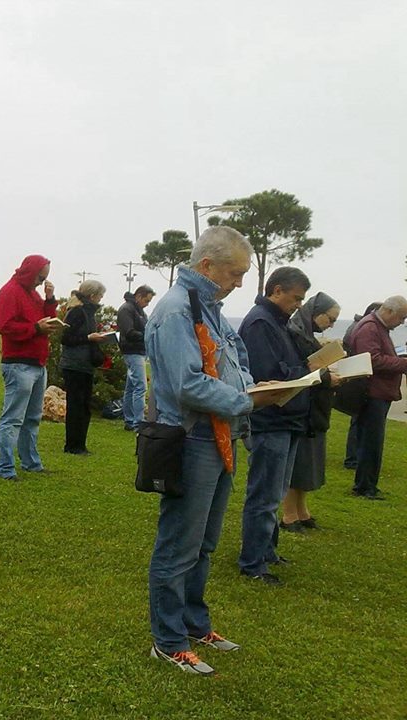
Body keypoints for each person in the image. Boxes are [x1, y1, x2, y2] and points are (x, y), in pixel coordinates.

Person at [146, 226, 289, 676]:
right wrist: (248, 400)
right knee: (179, 545)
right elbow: (186, 384)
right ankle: (168, 640)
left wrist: (256, 387)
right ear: (206, 266)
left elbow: (236, 364)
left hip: (220, 437)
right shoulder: (174, 311)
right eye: (236, 272)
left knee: (204, 544)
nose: (241, 282)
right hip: (192, 440)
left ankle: (193, 622)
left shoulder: (208, 308)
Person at [237, 266, 312, 586]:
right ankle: (252, 561)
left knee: (276, 492)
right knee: (264, 495)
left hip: (288, 418)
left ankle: (267, 550)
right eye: (295, 298)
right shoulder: (259, 323)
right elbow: (267, 374)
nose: (298, 304)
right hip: (270, 420)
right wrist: (307, 372)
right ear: (276, 290)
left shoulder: (278, 323)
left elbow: (287, 366)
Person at [0, 255, 60, 480]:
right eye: (40, 277)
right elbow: (5, 326)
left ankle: (31, 463)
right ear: (30, 271)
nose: (41, 283)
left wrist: (49, 301)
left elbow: (45, 320)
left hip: (37, 363)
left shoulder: (33, 294)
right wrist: (35, 328)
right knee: (12, 419)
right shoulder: (10, 291)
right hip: (18, 363)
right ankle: (5, 468)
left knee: (32, 417)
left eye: (44, 279)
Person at [283, 292, 341, 530]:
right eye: (331, 319)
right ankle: (289, 514)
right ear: (316, 313)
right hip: (302, 408)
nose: (332, 324)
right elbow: (303, 370)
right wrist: (328, 377)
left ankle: (301, 510)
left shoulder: (306, 333)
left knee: (309, 461)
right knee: (298, 461)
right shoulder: (296, 332)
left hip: (314, 408)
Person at [348, 296, 407, 500]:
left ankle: (368, 484)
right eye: (402, 317)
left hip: (378, 392)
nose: (402, 323)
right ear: (389, 312)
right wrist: (403, 364)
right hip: (372, 393)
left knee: (372, 441)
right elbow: (371, 360)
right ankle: (364, 486)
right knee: (370, 442)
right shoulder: (370, 328)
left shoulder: (376, 327)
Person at [59, 280, 108, 455]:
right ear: (92, 296)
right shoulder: (77, 312)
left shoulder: (88, 312)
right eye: (100, 295)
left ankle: (80, 444)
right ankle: (72, 445)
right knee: (76, 405)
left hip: (84, 364)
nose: (101, 299)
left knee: (84, 405)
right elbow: (66, 339)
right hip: (74, 365)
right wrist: (89, 338)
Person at [341, 302, 382, 469]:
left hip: (357, 377)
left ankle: (354, 457)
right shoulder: (364, 327)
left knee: (357, 420)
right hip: (357, 378)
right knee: (357, 421)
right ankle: (352, 458)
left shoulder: (357, 325)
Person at [117, 285, 155, 431]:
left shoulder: (138, 311)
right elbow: (128, 332)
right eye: (146, 300)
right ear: (138, 296)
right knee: (140, 386)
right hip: (132, 351)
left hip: (137, 350)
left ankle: (130, 419)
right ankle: (137, 422)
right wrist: (147, 337)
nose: (147, 304)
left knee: (131, 387)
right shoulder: (127, 309)